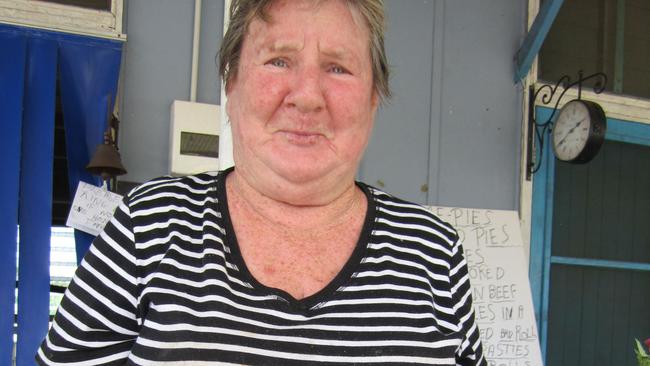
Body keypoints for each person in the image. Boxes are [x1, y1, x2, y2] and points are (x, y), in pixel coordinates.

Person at [37, 0, 486, 364]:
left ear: (373, 98)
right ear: (231, 85)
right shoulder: (149, 224)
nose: (307, 95)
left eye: (338, 68)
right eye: (278, 60)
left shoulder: (433, 251)